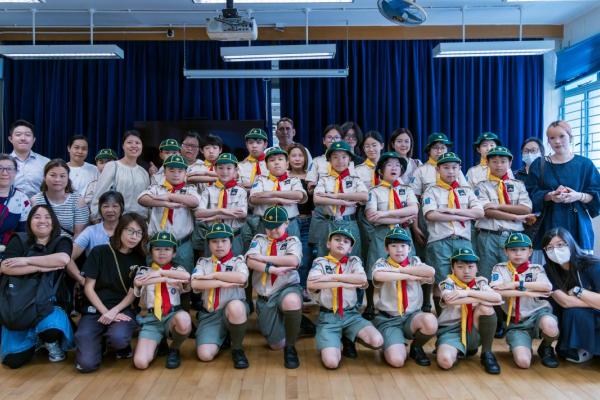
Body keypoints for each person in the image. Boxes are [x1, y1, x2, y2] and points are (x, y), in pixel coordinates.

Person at [0, 205, 74, 368]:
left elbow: (62, 260)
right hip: (19, 302)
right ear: (29, 221)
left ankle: (49, 341)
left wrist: (25, 261)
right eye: (37, 217)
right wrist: (41, 268)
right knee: (13, 362)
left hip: (49, 302)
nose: (42, 220)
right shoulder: (18, 239)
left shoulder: (61, 241)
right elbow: (5, 267)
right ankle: (35, 340)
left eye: (47, 217)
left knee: (51, 330)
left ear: (53, 222)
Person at [75, 213, 147, 373]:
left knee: (118, 338)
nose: (134, 237)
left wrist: (114, 311)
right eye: (130, 231)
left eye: (139, 233)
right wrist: (106, 312)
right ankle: (98, 342)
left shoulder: (140, 258)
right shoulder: (99, 251)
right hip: (95, 309)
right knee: (86, 364)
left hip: (123, 310)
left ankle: (116, 343)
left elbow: (133, 292)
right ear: (120, 230)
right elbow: (88, 288)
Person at [307, 228, 383, 369]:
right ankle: (336, 339)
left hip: (351, 315)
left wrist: (330, 277)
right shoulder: (320, 262)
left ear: (350, 248)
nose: (341, 243)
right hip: (328, 317)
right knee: (331, 363)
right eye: (337, 240)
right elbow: (311, 283)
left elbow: (361, 279)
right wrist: (346, 282)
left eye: (346, 241)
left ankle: (349, 337)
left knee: (377, 341)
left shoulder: (353, 261)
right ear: (328, 244)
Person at [525, 120, 600, 255]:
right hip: (548, 224)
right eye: (552, 138)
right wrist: (549, 196)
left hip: (578, 225)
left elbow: (597, 194)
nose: (557, 141)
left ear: (570, 137)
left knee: (579, 266)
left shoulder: (585, 164)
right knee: (549, 265)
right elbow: (529, 194)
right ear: (548, 141)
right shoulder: (539, 164)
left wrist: (578, 196)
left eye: (561, 136)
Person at [422, 152, 484, 310]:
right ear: (438, 169)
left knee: (465, 278)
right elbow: (431, 215)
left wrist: (452, 211)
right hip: (440, 242)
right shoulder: (431, 191)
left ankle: (463, 315)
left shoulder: (466, 190)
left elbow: (479, 212)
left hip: (463, 241)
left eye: (454, 167)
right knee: (442, 280)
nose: (450, 171)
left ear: (459, 169)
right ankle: (443, 316)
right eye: (446, 167)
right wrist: (463, 215)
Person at [490, 233, 559, 368]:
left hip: (538, 313)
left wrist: (515, 284)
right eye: (513, 250)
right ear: (506, 251)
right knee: (523, 362)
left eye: (523, 249)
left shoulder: (536, 269)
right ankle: (523, 344)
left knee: (550, 326)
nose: (518, 253)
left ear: (530, 252)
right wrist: (528, 292)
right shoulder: (499, 268)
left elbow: (547, 287)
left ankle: (546, 347)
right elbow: (496, 291)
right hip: (517, 323)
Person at [246, 206, 304, 369]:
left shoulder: (292, 241)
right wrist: (271, 269)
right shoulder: (259, 239)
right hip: (265, 297)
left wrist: (264, 258)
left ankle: (291, 347)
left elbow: (293, 261)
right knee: (276, 345)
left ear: (286, 223)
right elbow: (250, 261)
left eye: (277, 226)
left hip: (286, 288)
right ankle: (299, 326)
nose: (273, 231)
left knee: (291, 302)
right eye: (269, 227)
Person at [371, 227, 438, 367]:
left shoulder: (414, 261)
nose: (399, 250)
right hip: (389, 320)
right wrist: (411, 275)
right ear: (386, 249)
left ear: (409, 248)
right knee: (397, 361)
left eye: (403, 246)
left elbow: (430, 271)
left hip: (412, 317)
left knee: (430, 321)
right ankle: (392, 341)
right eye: (394, 246)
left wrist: (399, 271)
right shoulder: (382, 263)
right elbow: (378, 275)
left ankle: (416, 347)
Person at [364, 152, 418, 319]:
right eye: (389, 165)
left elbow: (414, 209)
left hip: (403, 233)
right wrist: (401, 218)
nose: (394, 168)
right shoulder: (374, 191)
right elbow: (372, 216)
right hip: (383, 233)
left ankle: (408, 304)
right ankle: (370, 305)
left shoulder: (407, 190)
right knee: (374, 266)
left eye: (397, 165)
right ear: (381, 170)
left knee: (407, 265)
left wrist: (384, 213)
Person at [192, 223, 250, 369]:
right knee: (204, 355)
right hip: (210, 314)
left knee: (236, 306)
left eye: (224, 241)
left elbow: (241, 278)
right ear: (209, 244)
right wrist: (221, 283)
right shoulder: (203, 262)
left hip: (232, 312)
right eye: (214, 241)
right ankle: (223, 336)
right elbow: (195, 283)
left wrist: (213, 275)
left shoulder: (238, 261)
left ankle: (237, 348)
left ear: (231, 242)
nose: (219, 245)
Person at [435, 248, 502, 374]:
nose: (466, 271)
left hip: (473, 328)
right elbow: (450, 300)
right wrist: (481, 297)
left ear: (477, 268)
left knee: (486, 308)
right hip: (451, 331)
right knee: (445, 362)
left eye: (471, 267)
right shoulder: (447, 283)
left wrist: (466, 293)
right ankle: (460, 350)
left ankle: (487, 353)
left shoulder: (480, 282)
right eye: (460, 267)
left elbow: (497, 297)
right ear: (452, 268)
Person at [133, 231, 192, 370]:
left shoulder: (177, 269)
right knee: (140, 363)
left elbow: (186, 276)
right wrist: (165, 279)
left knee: (184, 319)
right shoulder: (144, 270)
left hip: (172, 316)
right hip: (151, 320)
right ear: (151, 252)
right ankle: (158, 344)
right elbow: (139, 281)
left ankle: (174, 348)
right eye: (157, 249)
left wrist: (161, 272)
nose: (162, 253)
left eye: (167, 249)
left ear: (174, 253)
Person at [474, 146, 534, 280]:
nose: (499, 165)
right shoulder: (481, 186)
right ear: (487, 163)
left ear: (510, 163)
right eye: (494, 162)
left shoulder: (518, 185)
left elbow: (526, 209)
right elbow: (487, 212)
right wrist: (515, 216)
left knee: (514, 277)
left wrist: (497, 206)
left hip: (514, 237)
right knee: (486, 277)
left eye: (503, 161)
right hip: (489, 237)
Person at [541, 228, 600, 363]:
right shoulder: (548, 270)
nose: (555, 250)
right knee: (572, 311)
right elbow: (565, 302)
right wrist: (593, 301)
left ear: (570, 243)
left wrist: (578, 292)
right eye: (549, 247)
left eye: (560, 244)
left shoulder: (593, 265)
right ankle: (579, 347)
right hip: (572, 315)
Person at [138, 154, 201, 273]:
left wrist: (169, 196)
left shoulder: (190, 189)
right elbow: (142, 199)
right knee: (154, 278)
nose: (176, 174)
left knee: (183, 278)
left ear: (185, 173)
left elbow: (195, 201)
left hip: (181, 244)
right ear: (164, 172)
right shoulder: (157, 188)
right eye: (171, 170)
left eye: (180, 171)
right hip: (157, 244)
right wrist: (164, 203)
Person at [313, 141, 368, 258]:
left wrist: (336, 196)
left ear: (349, 159)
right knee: (326, 257)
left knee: (352, 257)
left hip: (349, 223)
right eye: (335, 157)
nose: (340, 160)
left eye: (344, 157)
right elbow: (317, 199)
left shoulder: (355, 179)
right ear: (329, 160)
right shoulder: (324, 179)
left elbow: (364, 196)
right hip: (329, 223)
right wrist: (341, 202)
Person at [67, 191, 124, 286]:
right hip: (95, 283)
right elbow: (68, 257)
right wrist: (82, 280)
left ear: (121, 208)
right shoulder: (91, 231)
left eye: (115, 206)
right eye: (105, 206)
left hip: (122, 282)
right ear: (100, 209)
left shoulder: (127, 230)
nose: (110, 210)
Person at [249, 147, 307, 239]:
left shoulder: (293, 180)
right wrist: (278, 199)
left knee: (292, 247)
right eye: (272, 160)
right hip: (265, 224)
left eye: (280, 159)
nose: (276, 162)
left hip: (289, 223)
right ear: (266, 165)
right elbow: (254, 199)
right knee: (263, 247)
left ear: (287, 164)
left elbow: (299, 195)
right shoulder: (260, 180)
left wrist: (270, 193)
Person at [195, 153, 247, 255]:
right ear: (215, 169)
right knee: (210, 263)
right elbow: (198, 213)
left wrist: (216, 216)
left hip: (234, 236)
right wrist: (220, 210)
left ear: (236, 170)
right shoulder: (208, 191)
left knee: (234, 262)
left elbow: (242, 213)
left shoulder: (241, 191)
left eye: (229, 168)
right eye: (220, 168)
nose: (224, 172)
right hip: (212, 236)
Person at [91, 130, 150, 219]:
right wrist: (97, 217)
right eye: (129, 142)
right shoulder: (112, 166)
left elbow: (146, 201)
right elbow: (99, 196)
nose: (134, 145)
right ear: (123, 146)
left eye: (137, 143)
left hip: (139, 221)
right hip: (116, 221)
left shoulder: (143, 172)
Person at [31, 159, 89, 238]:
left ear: (68, 178)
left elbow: (79, 234)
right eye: (53, 175)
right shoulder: (35, 201)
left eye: (62, 176)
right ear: (44, 177)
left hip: (69, 244)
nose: (57, 179)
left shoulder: (78, 201)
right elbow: (33, 231)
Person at [287, 143, 314, 295]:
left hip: (309, 221)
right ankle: (292, 288)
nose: (297, 159)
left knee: (306, 257)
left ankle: (303, 288)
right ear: (288, 158)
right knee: (293, 255)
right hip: (292, 221)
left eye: (300, 155)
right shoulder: (284, 177)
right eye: (293, 156)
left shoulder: (311, 176)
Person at [7, 119, 50, 198]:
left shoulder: (46, 162)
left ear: (33, 140)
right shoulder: (3, 163)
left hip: (39, 204)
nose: (23, 138)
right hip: (8, 205)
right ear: (10, 139)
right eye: (18, 134)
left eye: (27, 135)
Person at [0, 154, 31, 256]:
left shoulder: (22, 199)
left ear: (16, 172)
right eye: (0, 168)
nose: (4, 173)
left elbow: (23, 233)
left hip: (9, 252)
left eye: (9, 169)